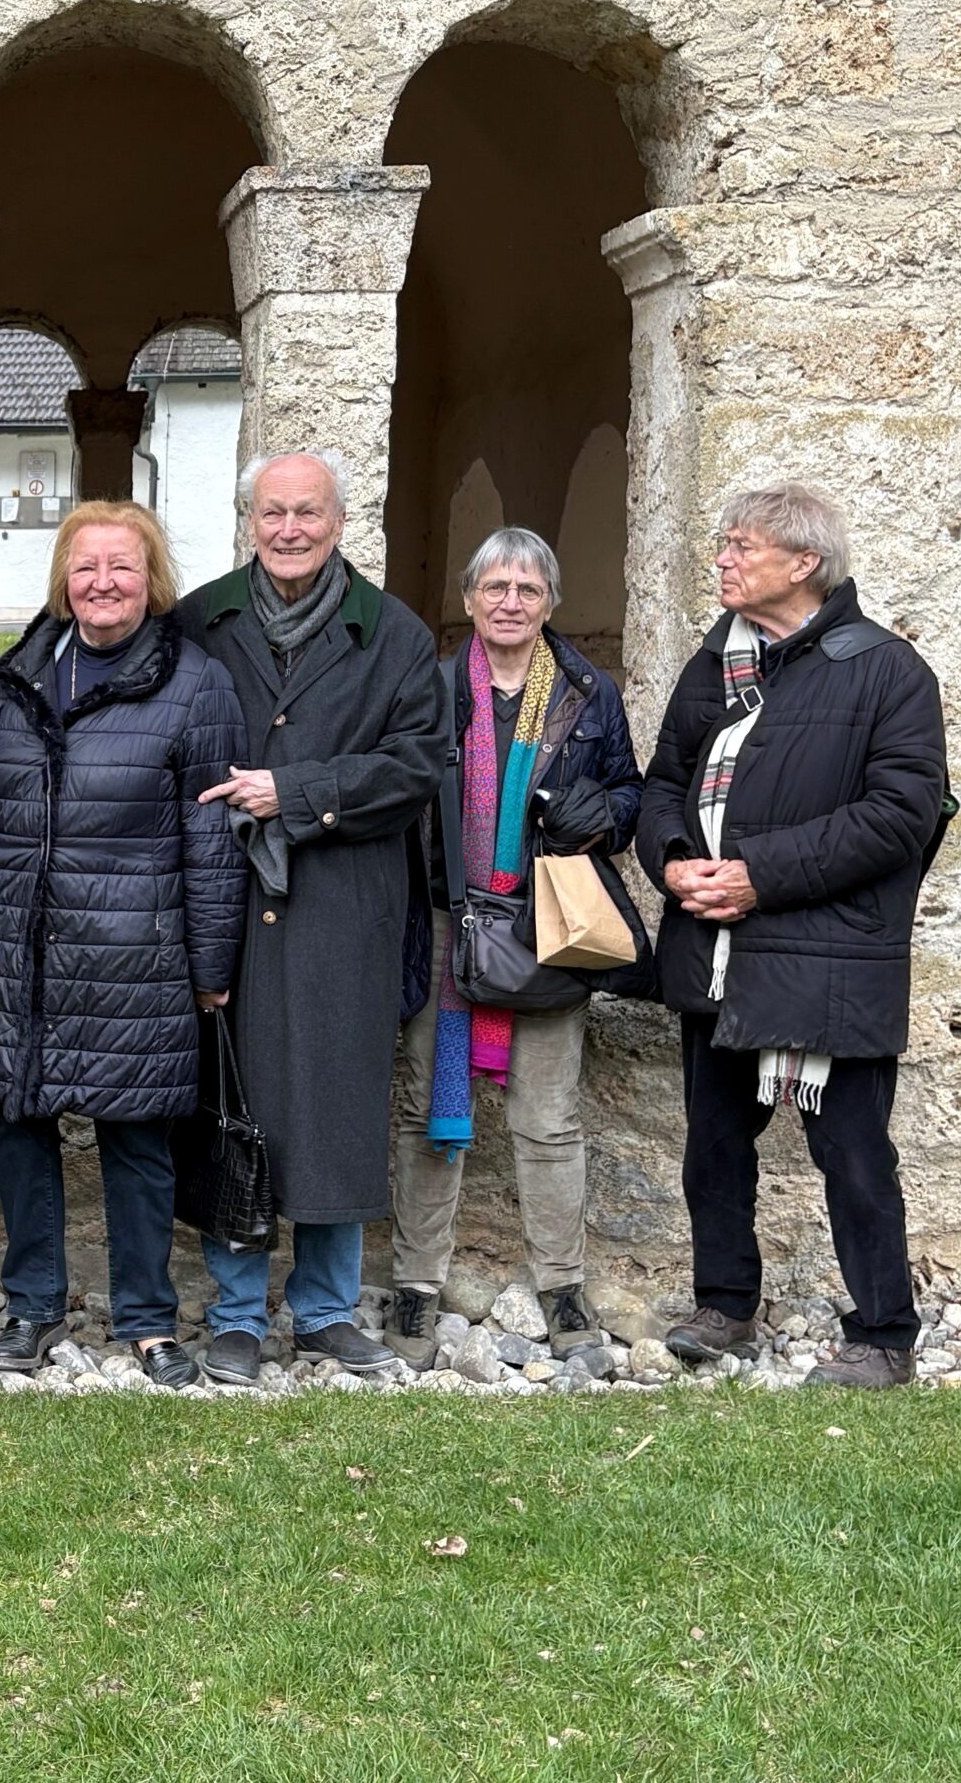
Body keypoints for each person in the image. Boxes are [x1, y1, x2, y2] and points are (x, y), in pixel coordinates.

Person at [639, 485, 946, 1389]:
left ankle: (885, 1335)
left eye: (741, 546)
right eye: (724, 544)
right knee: (716, 1144)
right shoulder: (714, 664)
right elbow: (662, 786)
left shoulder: (888, 670)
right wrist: (673, 863)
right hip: (715, 948)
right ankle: (724, 1307)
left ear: (803, 564)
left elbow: (901, 815)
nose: (723, 560)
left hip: (829, 959)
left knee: (852, 1153)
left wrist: (758, 875)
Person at [0, 503, 248, 1386]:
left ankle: (149, 1320)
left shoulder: (195, 684)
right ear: (62, 580)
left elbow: (212, 842)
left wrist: (210, 968)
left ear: (149, 579)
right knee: (20, 1132)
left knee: (139, 1147)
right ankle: (32, 1306)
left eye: (121, 567)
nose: (102, 584)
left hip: (133, 959)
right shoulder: (18, 676)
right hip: (18, 954)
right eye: (85, 568)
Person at [181, 450, 451, 1385]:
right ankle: (237, 1313)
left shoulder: (396, 634)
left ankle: (328, 1310)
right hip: (229, 897)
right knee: (234, 1102)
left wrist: (296, 792)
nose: (289, 529)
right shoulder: (202, 620)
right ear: (249, 521)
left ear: (341, 521)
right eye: (272, 513)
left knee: (339, 1101)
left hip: (345, 903)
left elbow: (419, 763)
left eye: (308, 513)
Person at [384, 528, 643, 1366]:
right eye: (495, 587)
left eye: (528, 590)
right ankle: (418, 1288)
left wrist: (599, 815)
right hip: (447, 925)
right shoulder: (431, 688)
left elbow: (632, 794)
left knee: (548, 1118)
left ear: (550, 604)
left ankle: (563, 1289)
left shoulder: (586, 692)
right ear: (468, 601)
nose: (510, 602)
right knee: (430, 1116)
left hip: (547, 929)